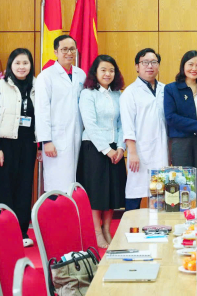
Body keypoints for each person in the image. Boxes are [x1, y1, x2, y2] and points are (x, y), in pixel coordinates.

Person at [0, 48, 38, 248]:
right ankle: (1, 232)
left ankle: (22, 232)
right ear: (10, 65)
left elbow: (41, 117)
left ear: (30, 65)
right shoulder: (1, 86)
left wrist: (39, 145)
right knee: (3, 189)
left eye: (25, 63)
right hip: (5, 145)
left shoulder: (37, 87)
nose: (21, 67)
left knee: (24, 189)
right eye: (17, 63)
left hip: (28, 145)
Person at [77, 55, 126, 248]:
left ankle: (107, 229)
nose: (108, 74)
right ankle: (96, 231)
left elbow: (122, 124)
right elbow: (90, 124)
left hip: (115, 148)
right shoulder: (88, 94)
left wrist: (120, 147)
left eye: (111, 70)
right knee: (96, 192)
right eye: (103, 70)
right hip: (94, 148)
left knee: (112, 191)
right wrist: (107, 150)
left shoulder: (118, 95)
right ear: (95, 73)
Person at [35, 34, 87, 192]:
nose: (69, 53)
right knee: (57, 185)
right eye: (64, 49)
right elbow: (42, 110)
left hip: (78, 136)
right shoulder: (46, 76)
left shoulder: (81, 74)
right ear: (56, 52)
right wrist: (46, 141)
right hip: (55, 139)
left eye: (72, 49)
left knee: (75, 185)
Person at [121, 48, 169, 211]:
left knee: (160, 192)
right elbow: (127, 125)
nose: (150, 66)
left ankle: (158, 225)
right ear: (137, 66)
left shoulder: (165, 90)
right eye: (145, 62)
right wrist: (132, 152)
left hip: (161, 149)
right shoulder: (130, 92)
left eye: (154, 62)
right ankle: (129, 225)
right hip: (140, 151)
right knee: (136, 189)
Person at [164, 51, 197, 198]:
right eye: (190, 64)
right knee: (182, 180)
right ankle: (183, 212)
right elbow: (171, 117)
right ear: (183, 66)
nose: (194, 68)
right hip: (181, 141)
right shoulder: (171, 89)